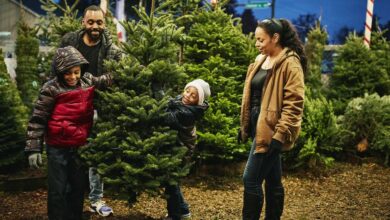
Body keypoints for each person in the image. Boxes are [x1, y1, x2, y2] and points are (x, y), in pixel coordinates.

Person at [25, 46, 113, 220]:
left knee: (78, 187)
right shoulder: (51, 89)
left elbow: (105, 80)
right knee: (58, 189)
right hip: (57, 147)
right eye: (67, 73)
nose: (72, 77)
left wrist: (128, 70)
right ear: (59, 72)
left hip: (80, 146)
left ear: (81, 70)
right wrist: (33, 148)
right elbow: (38, 119)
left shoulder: (87, 81)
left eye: (76, 72)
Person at [238, 18, 306, 220]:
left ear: (275, 38)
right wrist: (245, 125)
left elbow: (294, 105)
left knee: (250, 179)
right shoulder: (261, 59)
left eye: (261, 40)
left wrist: (280, 135)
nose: (257, 44)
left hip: (272, 131)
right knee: (273, 179)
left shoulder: (290, 63)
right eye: (256, 39)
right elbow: (252, 96)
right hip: (257, 124)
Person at [60, 5, 122, 216]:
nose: (95, 26)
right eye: (91, 22)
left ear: (104, 24)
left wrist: (94, 81)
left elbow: (115, 74)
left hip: (98, 105)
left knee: (97, 151)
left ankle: (96, 199)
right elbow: (57, 70)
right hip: (71, 105)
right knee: (72, 151)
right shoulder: (70, 42)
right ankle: (70, 197)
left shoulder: (112, 48)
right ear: (83, 23)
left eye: (99, 22)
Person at [163, 79, 211, 220]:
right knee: (173, 181)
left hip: (181, 151)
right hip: (176, 147)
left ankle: (175, 215)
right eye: (187, 91)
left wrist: (158, 93)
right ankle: (183, 211)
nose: (187, 96)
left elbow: (167, 117)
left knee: (171, 182)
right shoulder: (180, 101)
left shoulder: (189, 113)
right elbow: (171, 102)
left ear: (198, 101)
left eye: (193, 96)